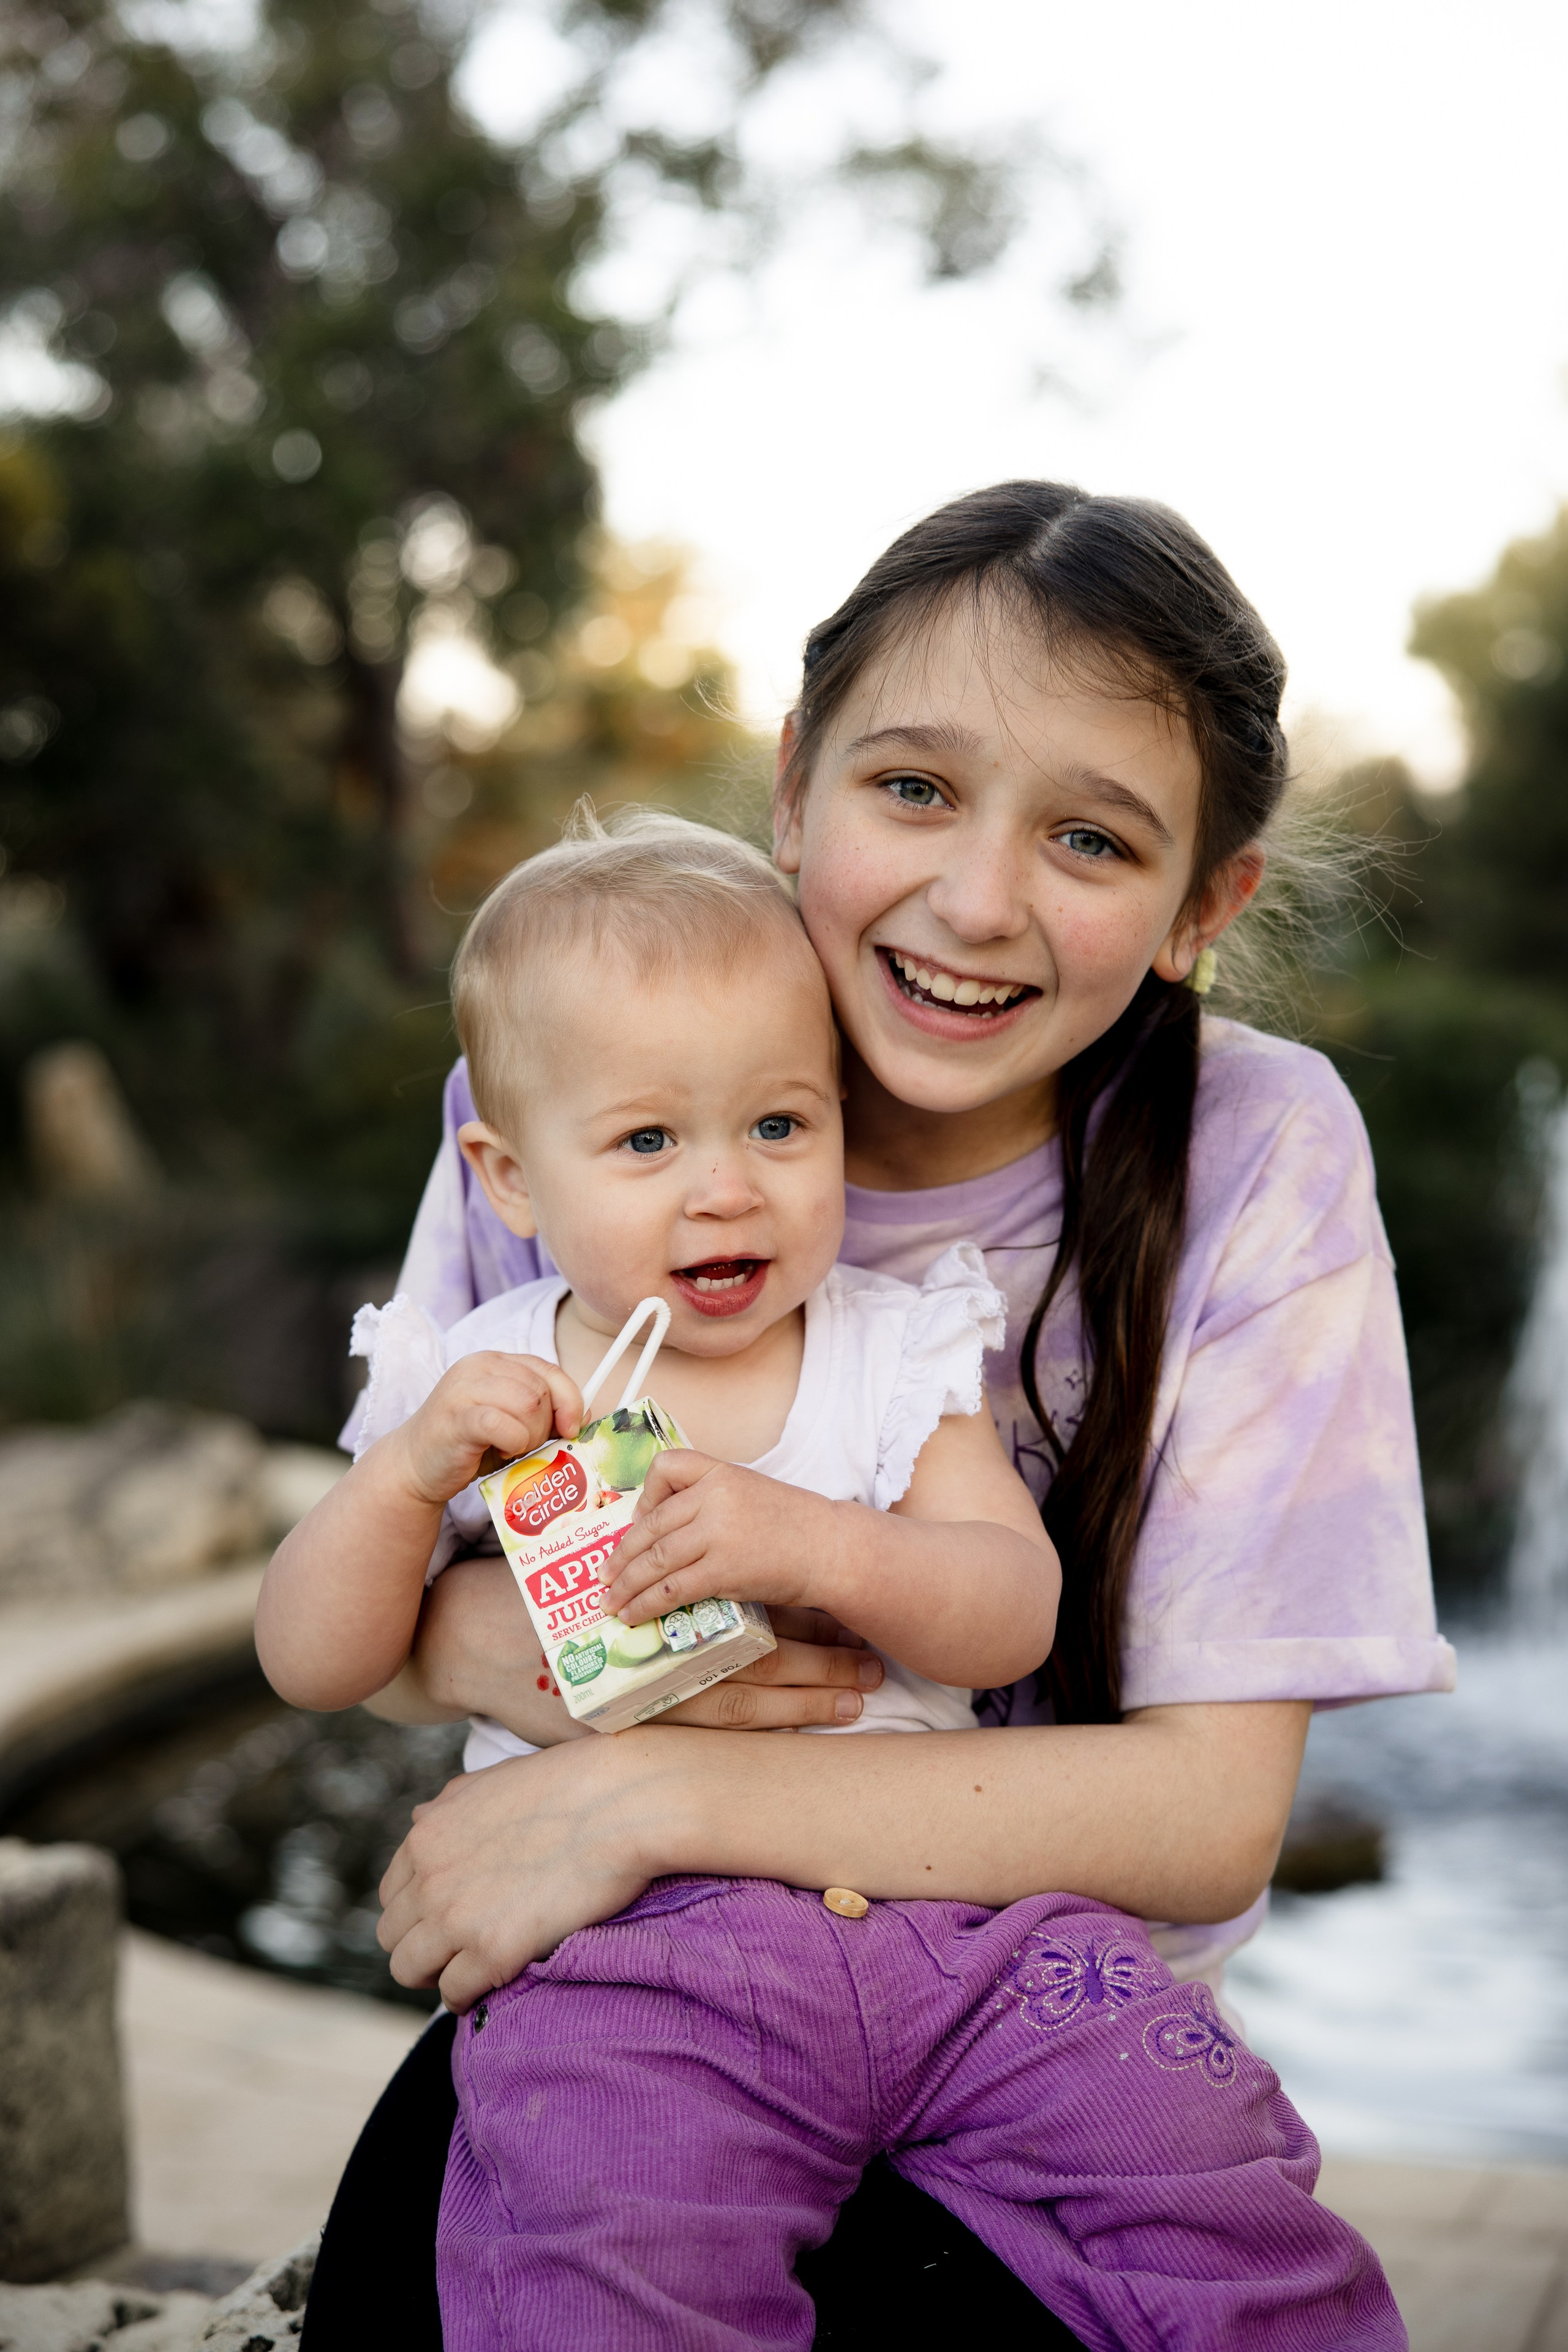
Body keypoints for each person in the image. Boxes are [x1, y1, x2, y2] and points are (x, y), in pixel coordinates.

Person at [302, 481, 1453, 2346]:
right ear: (792, 785)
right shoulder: (584, 1079)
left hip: (1024, 2005)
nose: (978, 900)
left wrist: (654, 1777)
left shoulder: (1257, 1152)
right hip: (650, 1970)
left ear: (1201, 907)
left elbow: (1206, 1822)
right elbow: (399, 1616)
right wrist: (479, 1644)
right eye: (913, 789)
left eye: (1091, 837)